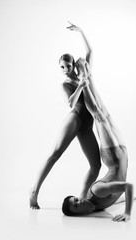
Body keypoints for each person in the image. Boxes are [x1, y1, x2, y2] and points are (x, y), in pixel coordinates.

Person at [30, 23, 101, 209]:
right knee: (55, 154)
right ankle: (34, 191)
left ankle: (81, 197)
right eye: (61, 67)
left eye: (67, 66)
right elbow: (70, 103)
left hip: (87, 123)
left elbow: (90, 52)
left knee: (96, 166)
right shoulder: (65, 84)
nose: (65, 69)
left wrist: (82, 32)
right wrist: (80, 86)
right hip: (74, 118)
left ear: (73, 65)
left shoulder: (83, 74)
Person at [62, 59, 134, 222]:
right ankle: (87, 75)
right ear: (79, 214)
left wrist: (128, 213)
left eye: (76, 200)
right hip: (121, 151)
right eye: (77, 205)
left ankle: (84, 78)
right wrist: (129, 199)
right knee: (103, 111)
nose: (80, 202)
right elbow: (118, 195)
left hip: (113, 156)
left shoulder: (97, 190)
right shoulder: (98, 206)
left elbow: (128, 186)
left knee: (98, 114)